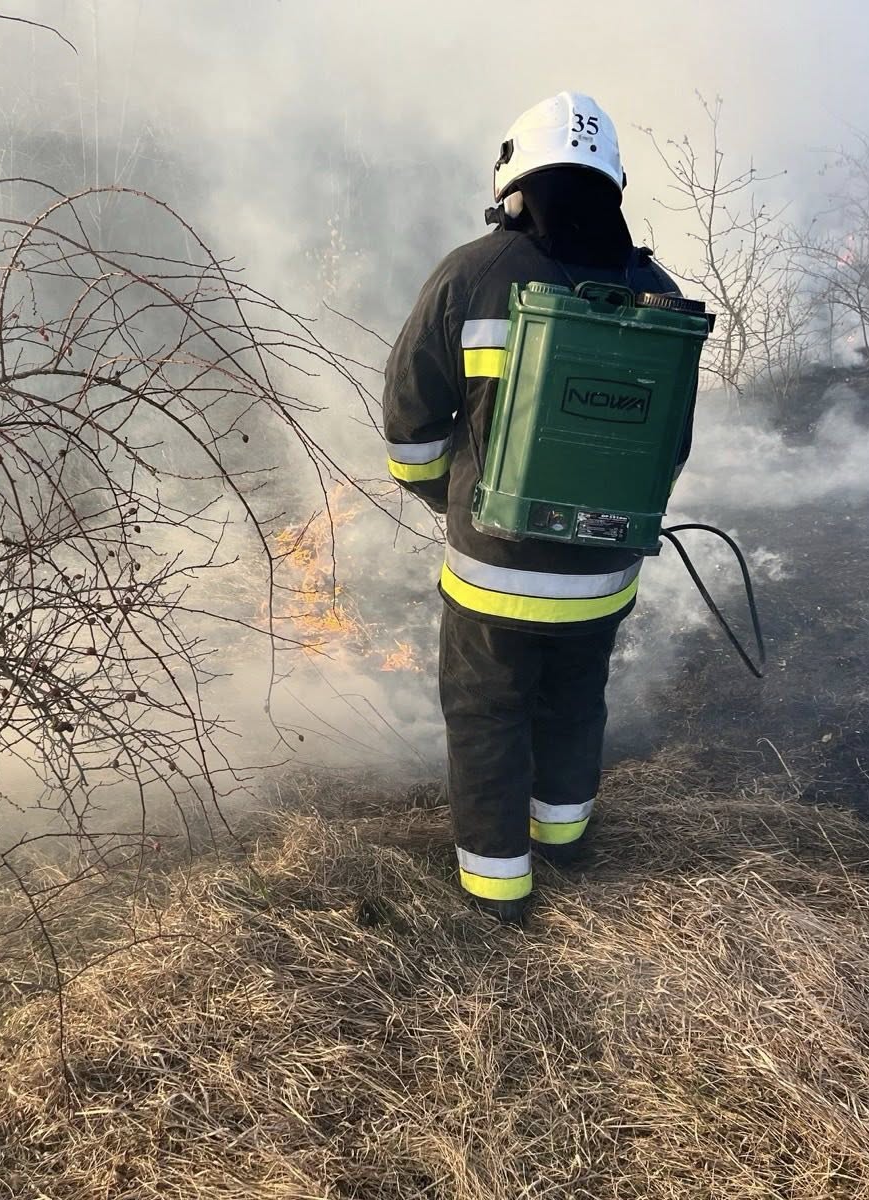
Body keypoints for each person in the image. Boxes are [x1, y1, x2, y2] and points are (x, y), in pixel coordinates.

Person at [381, 91, 692, 924]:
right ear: (610, 182)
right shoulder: (658, 293)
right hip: (601, 578)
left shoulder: (470, 275)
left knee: (487, 715)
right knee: (574, 702)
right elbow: (669, 447)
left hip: (494, 573)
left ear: (513, 181)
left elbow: (410, 427)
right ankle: (565, 843)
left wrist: (453, 497)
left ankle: (498, 893)